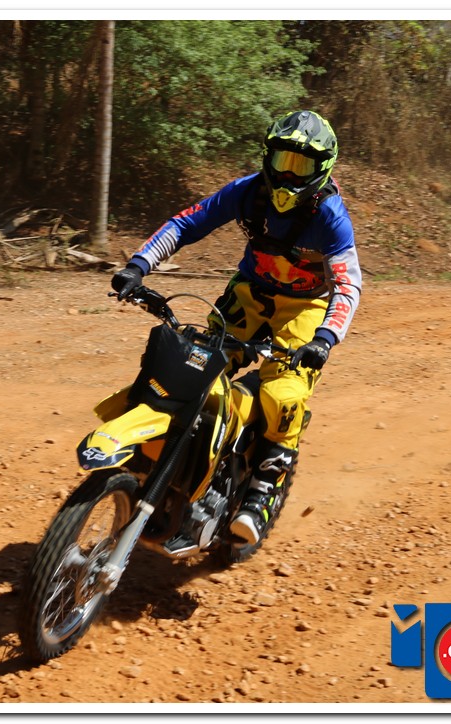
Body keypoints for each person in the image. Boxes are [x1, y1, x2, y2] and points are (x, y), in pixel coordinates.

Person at [111, 109, 362, 546]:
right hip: (249, 294)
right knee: (192, 363)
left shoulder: (330, 217)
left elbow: (347, 284)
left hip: (306, 308)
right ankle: (158, 450)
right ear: (267, 157)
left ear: (322, 169)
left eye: (301, 166)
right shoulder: (247, 191)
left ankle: (262, 492)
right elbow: (187, 223)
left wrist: (324, 339)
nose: (288, 175)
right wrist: (138, 265)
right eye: (282, 160)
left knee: (283, 393)